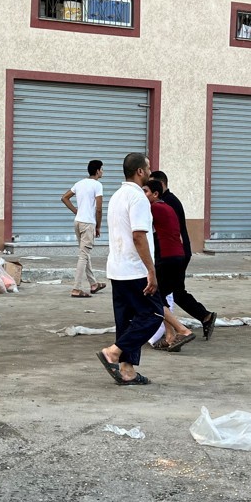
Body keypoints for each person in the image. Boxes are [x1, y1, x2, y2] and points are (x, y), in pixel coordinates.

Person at [95, 152, 164, 387]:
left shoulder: (117, 196)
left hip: (117, 268)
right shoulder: (138, 198)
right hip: (135, 270)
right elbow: (138, 236)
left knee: (126, 321)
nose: (151, 171)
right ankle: (113, 353)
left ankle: (127, 370)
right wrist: (151, 270)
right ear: (140, 172)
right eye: (148, 167)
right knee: (153, 315)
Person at [144, 179, 215, 348]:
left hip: (167, 258)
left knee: (154, 296)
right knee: (167, 294)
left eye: (145, 191)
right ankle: (171, 335)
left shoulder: (153, 208)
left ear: (155, 194)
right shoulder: (168, 206)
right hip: (178, 256)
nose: (142, 195)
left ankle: (181, 331)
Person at [61, 160, 105, 298]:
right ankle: (76, 288)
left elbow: (64, 197)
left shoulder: (79, 183)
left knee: (85, 253)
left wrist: (76, 211)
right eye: (102, 169)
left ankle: (93, 284)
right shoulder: (97, 185)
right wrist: (98, 226)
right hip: (88, 223)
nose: (102, 172)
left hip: (78, 222)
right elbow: (99, 209)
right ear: (97, 171)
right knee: (83, 255)